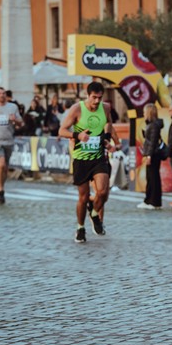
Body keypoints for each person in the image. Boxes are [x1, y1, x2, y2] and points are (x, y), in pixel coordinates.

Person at [58, 81, 117, 243]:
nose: (97, 101)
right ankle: (80, 227)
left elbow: (108, 123)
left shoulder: (105, 108)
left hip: (98, 156)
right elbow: (61, 131)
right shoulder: (77, 109)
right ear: (87, 95)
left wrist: (106, 140)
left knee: (103, 192)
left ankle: (94, 214)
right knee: (83, 198)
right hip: (81, 158)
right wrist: (78, 136)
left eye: (99, 97)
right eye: (94, 97)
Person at [137, 103, 164, 210]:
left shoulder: (153, 125)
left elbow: (152, 142)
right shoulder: (153, 124)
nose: (143, 113)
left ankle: (152, 201)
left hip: (153, 155)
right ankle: (152, 200)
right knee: (152, 177)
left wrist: (148, 156)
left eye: (144, 111)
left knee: (152, 178)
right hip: (152, 154)